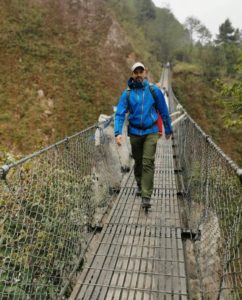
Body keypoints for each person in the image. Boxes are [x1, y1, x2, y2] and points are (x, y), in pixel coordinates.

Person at [114, 62, 172, 209]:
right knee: (138, 162)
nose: (139, 74)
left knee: (147, 162)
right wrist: (118, 132)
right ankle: (140, 184)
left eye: (141, 72)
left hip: (151, 131)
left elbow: (164, 110)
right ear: (132, 74)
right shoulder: (127, 94)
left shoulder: (154, 90)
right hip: (134, 132)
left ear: (145, 73)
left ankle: (146, 196)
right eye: (136, 72)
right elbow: (120, 113)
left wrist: (168, 129)